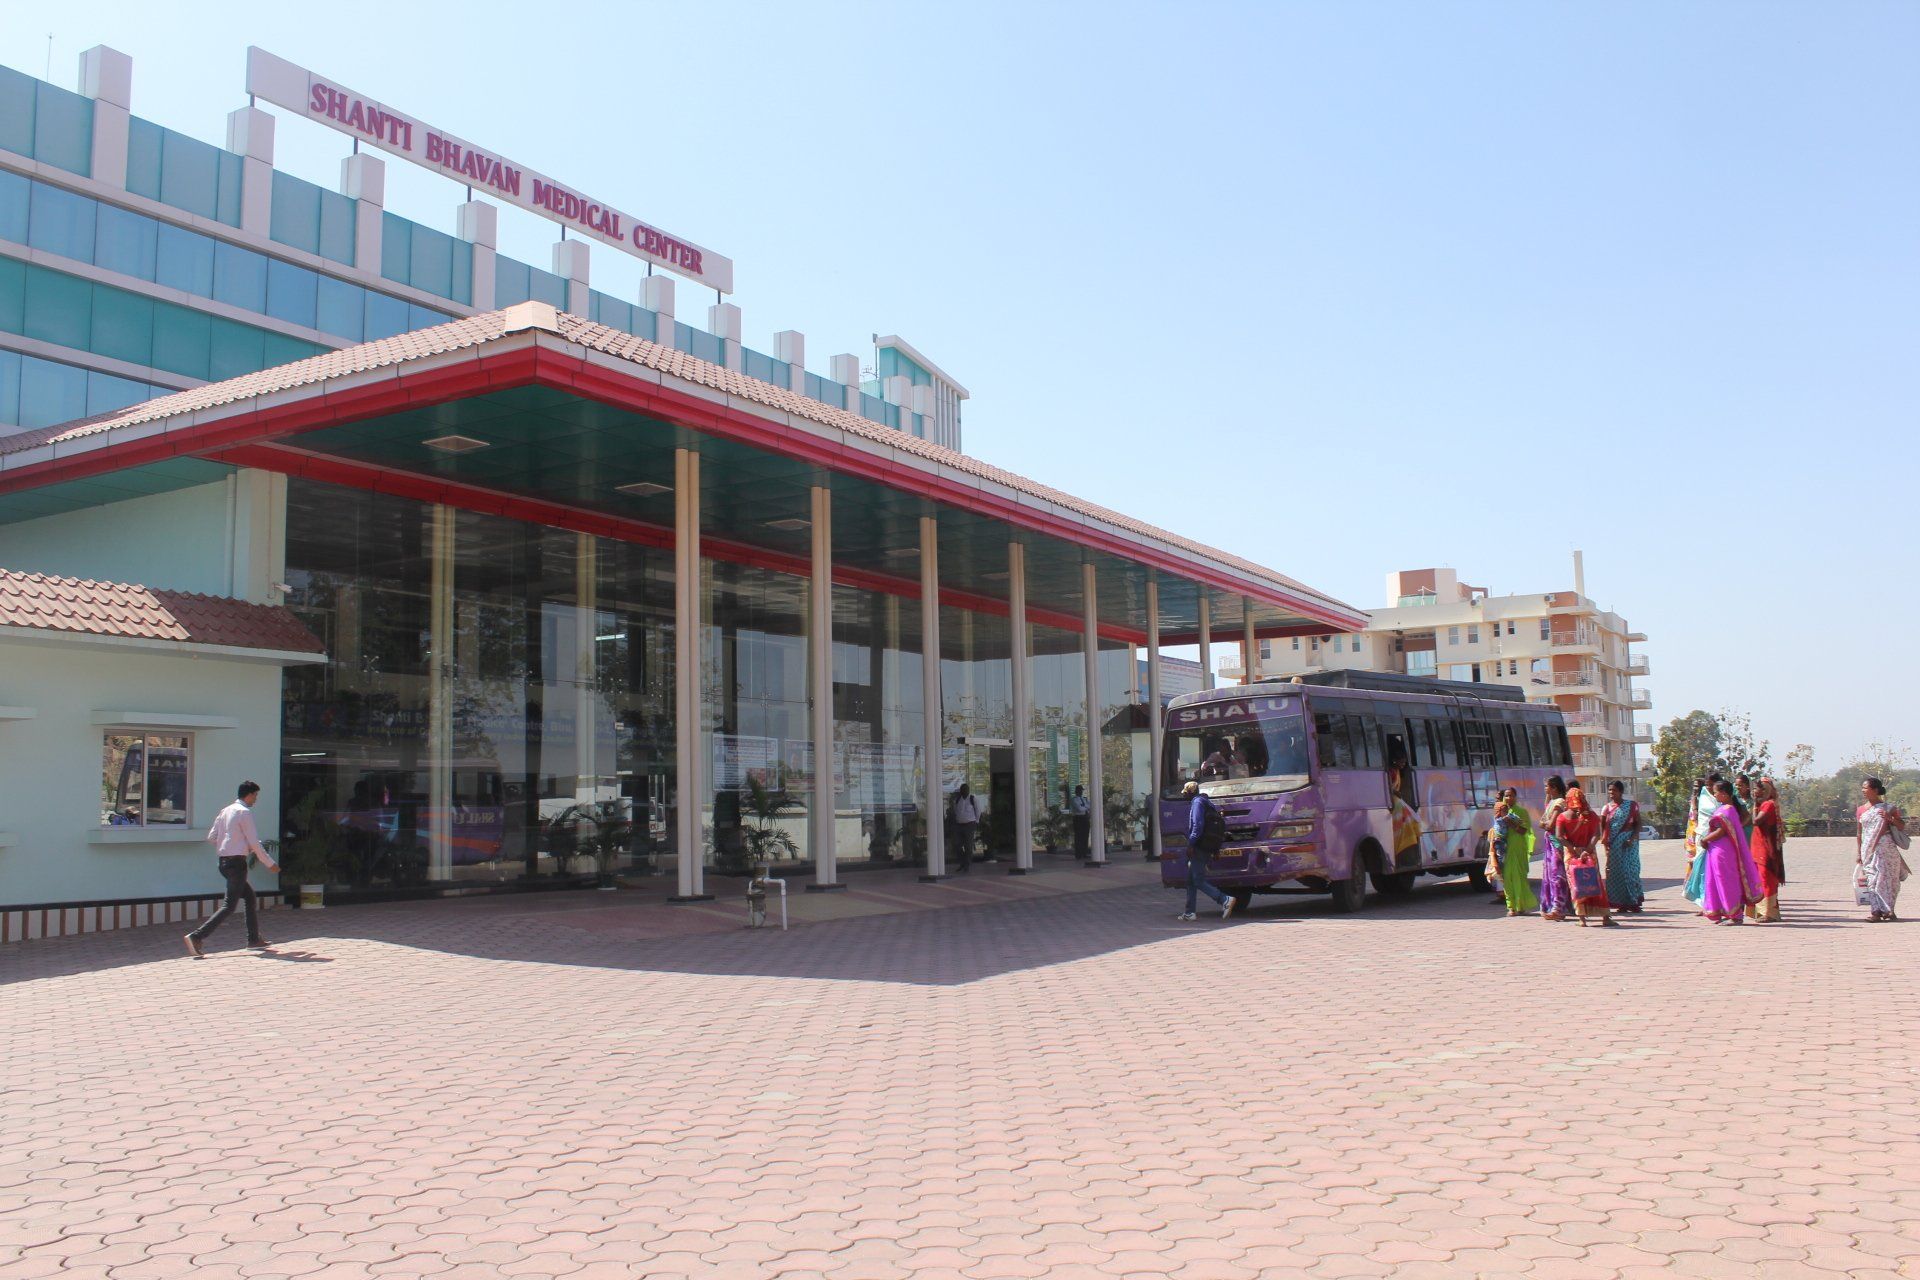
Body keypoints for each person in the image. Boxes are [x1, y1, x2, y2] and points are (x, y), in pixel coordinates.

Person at [184, 781, 280, 956]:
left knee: (250, 897)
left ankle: (253, 939)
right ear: (249, 795)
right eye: (255, 795)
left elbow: (212, 837)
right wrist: (269, 863)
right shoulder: (244, 812)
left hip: (224, 863)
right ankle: (197, 936)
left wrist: (230, 845)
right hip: (236, 863)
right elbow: (253, 841)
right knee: (229, 905)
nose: (256, 800)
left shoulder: (225, 811)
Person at [1697, 778, 1763, 924]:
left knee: (1726, 881)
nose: (1714, 795)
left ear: (1725, 794)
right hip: (1717, 851)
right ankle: (1722, 911)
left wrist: (1705, 839)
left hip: (1723, 851)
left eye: (1716, 793)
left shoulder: (1727, 809)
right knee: (1716, 881)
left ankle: (1735, 914)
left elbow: (1722, 831)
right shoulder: (1725, 808)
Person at [1554, 786, 1616, 926]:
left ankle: (1582, 919)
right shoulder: (1592, 815)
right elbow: (1597, 835)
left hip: (1572, 856)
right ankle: (1605, 917)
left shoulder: (1562, 817)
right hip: (1589, 855)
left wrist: (1573, 848)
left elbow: (1559, 836)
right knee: (1596, 883)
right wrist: (1587, 849)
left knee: (1576, 885)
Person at [1180, 781, 1236, 921]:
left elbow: (1197, 825)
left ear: (1190, 792)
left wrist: (1191, 844)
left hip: (1199, 846)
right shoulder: (1208, 804)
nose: (1184, 796)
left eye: (1185, 793)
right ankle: (1189, 912)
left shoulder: (1197, 803)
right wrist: (1216, 848)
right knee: (1191, 880)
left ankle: (1223, 899)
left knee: (1198, 880)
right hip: (1208, 845)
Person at [1855, 776, 1908, 923]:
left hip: (1887, 849)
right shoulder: (1861, 810)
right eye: (1863, 788)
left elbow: (1901, 826)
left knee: (1888, 880)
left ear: (1875, 790)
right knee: (1872, 880)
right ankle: (1876, 912)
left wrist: (1890, 818)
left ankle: (1889, 911)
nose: (1863, 790)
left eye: (1865, 788)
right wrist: (1859, 852)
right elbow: (1859, 833)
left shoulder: (1889, 808)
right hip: (1868, 849)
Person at [1599, 781, 1645, 913]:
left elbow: (1638, 824)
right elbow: (1602, 828)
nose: (1611, 793)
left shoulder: (1631, 805)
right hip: (1614, 845)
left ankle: (1634, 901)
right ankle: (1621, 903)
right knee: (1616, 873)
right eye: (1609, 790)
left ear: (1620, 791)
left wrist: (1632, 838)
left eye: (1614, 790)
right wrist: (1606, 846)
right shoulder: (1606, 808)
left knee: (1630, 871)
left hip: (1629, 844)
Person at [1748, 777, 1785, 922]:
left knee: (1766, 879)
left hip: (1765, 849)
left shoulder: (1768, 805)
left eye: (1756, 789)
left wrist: (1755, 804)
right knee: (1759, 878)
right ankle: (1761, 911)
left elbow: (1756, 821)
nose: (1754, 791)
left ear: (1764, 790)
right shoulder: (1764, 804)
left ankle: (1769, 913)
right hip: (1758, 847)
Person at [1496, 786, 1538, 916]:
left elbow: (1524, 830)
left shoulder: (1521, 811)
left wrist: (1511, 823)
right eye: (1506, 796)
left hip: (1518, 848)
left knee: (1519, 877)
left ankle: (1521, 906)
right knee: (1507, 878)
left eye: (1511, 795)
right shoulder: (1500, 811)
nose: (1508, 798)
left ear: (1515, 797)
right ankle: (1511, 906)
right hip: (1504, 849)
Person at [1684, 773, 1722, 910]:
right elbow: (1697, 817)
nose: (1709, 787)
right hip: (1702, 836)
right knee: (1701, 871)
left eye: (1711, 784)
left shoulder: (1723, 797)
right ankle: (1703, 903)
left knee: (1714, 872)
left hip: (1718, 838)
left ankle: (1716, 903)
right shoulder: (1703, 796)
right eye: (1707, 784)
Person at [1538, 775, 1572, 921]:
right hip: (1550, 842)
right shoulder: (1553, 801)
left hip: (1556, 843)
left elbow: (1550, 825)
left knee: (1557, 875)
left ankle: (1559, 908)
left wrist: (1543, 824)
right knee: (1550, 875)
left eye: (1547, 786)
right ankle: (1554, 906)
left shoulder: (1559, 803)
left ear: (1554, 788)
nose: (1545, 789)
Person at [950, 785, 981, 874]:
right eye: (962, 789)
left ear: (968, 790)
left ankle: (966, 865)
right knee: (957, 845)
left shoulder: (973, 798)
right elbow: (956, 811)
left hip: (970, 824)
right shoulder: (958, 799)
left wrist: (976, 821)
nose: (964, 791)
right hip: (959, 825)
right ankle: (962, 863)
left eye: (965, 789)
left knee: (968, 846)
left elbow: (978, 810)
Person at [1070, 784, 1092, 858]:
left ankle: (1084, 853)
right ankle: (1078, 854)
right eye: (1079, 790)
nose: (1081, 792)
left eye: (1081, 790)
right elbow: (1079, 809)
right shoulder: (1074, 799)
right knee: (1079, 836)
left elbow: (1090, 806)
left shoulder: (1085, 799)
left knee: (1085, 836)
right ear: (1076, 791)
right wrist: (1086, 807)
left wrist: (1084, 807)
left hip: (1085, 818)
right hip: (1078, 818)